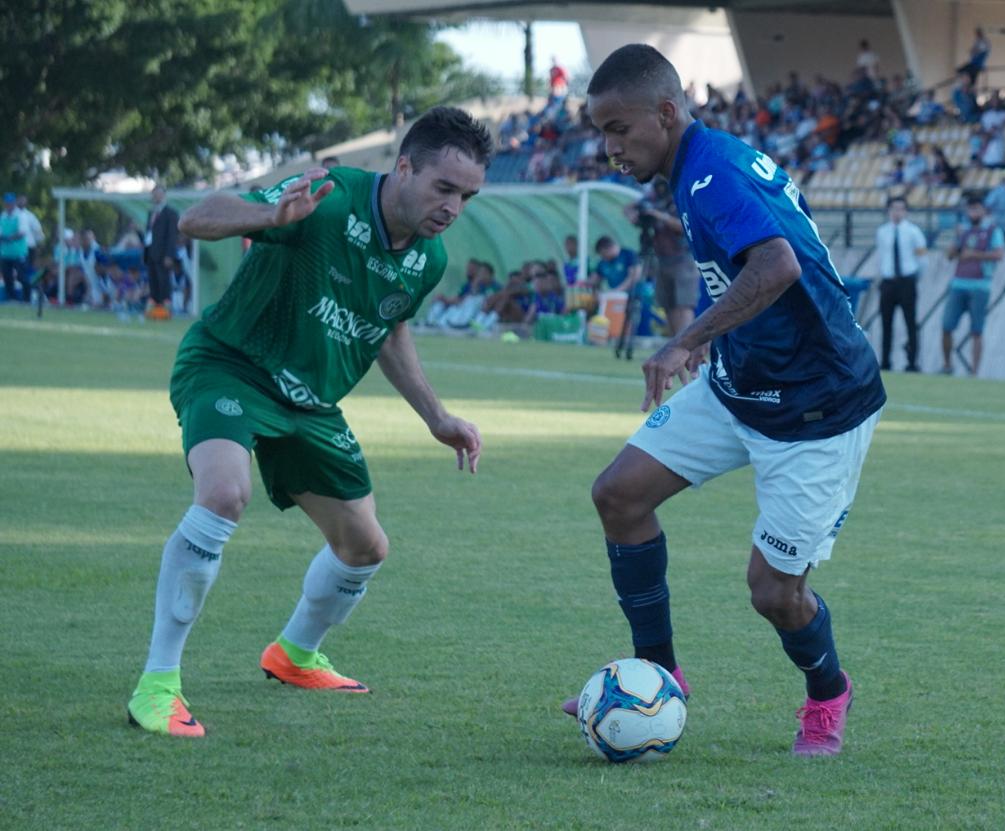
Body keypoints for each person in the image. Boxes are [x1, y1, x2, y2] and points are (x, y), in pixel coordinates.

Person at [561, 44, 886, 757]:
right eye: (601, 131)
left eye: (619, 128)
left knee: (773, 591)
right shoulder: (694, 165)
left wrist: (686, 339)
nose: (609, 146)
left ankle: (828, 692)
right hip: (740, 384)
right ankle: (658, 672)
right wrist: (718, 337)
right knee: (618, 495)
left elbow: (777, 263)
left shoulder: (712, 174)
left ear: (668, 113)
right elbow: (748, 269)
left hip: (816, 410)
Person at [125, 106, 490, 738]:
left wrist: (437, 416)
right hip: (233, 363)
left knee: (365, 548)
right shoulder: (327, 195)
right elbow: (196, 217)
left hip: (311, 402)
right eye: (444, 188)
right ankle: (157, 685)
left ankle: (293, 655)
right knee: (222, 493)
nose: (453, 207)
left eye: (467, 196)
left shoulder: (427, 259)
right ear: (404, 167)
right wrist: (270, 215)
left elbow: (388, 329)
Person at [941, 196, 1005, 375]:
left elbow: (999, 255)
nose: (973, 213)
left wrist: (974, 255)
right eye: (970, 209)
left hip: (980, 286)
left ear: (984, 210)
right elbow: (950, 255)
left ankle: (975, 372)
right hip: (958, 284)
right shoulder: (964, 230)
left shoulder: (993, 231)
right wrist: (957, 238)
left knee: (977, 330)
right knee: (946, 326)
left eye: (976, 209)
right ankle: (947, 366)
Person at [628, 179, 698, 335]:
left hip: (682, 259)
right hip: (661, 260)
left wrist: (658, 214)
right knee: (668, 305)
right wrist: (640, 212)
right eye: (657, 186)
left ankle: (686, 344)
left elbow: (683, 227)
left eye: (662, 186)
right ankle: (676, 342)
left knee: (684, 304)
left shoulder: (678, 200)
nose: (660, 189)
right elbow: (628, 209)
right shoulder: (653, 200)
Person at [874, 197, 927, 372]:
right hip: (888, 282)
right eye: (894, 208)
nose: (897, 212)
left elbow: (922, 259)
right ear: (889, 211)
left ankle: (912, 362)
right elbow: (881, 257)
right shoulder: (882, 232)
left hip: (907, 281)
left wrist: (914, 277)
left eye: (900, 209)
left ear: (906, 211)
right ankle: (885, 361)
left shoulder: (913, 232)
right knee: (886, 323)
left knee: (910, 322)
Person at [144, 185, 180, 319]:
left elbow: (172, 236)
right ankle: (155, 311)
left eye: (158, 194)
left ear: (164, 195)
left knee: (164, 282)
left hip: (163, 255)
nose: (156, 196)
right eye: (154, 194)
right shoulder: (151, 213)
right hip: (151, 254)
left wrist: (169, 255)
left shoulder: (171, 213)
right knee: (153, 282)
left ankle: (166, 311)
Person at [0, 193, 29, 302]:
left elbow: (22, 232)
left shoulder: (20, 215)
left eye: (10, 203)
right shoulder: (3, 216)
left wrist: (9, 238)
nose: (8, 205)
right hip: (5, 253)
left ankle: (27, 298)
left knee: (22, 277)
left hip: (19, 252)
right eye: (6, 203)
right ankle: (11, 298)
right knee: (7, 277)